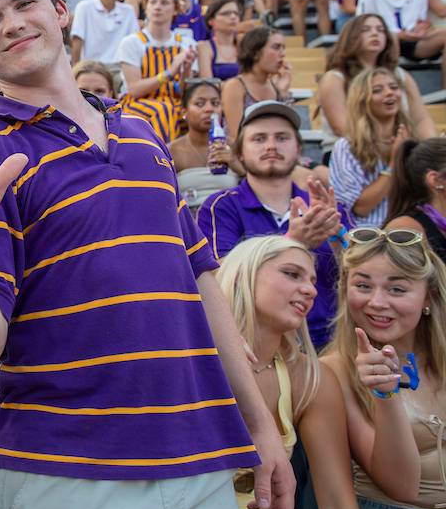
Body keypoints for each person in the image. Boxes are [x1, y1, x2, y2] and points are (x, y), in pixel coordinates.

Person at [0, 0, 291, 509]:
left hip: (197, 465)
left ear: (60, 11)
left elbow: (202, 282)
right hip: (64, 479)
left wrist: (260, 424)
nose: (12, 23)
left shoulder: (144, 135)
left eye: (24, 3)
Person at [216, 237, 368, 509]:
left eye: (313, 281)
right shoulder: (192, 358)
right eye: (291, 274)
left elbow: (337, 506)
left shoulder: (308, 378)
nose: (310, 290)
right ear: (243, 276)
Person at [321, 227, 446, 509]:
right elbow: (401, 486)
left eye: (397, 288)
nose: (377, 302)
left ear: (428, 298)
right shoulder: (332, 372)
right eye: (363, 286)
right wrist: (385, 394)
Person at [199, 101, 348, 349]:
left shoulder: (328, 206)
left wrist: (337, 238)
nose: (271, 146)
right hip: (255, 344)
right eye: (259, 139)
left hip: (330, 344)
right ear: (239, 152)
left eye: (281, 138)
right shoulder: (220, 207)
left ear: (299, 150)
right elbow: (219, 279)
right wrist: (293, 243)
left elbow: (362, 276)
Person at [318, 14, 436, 162]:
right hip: (349, 155)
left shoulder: (400, 74)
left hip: (398, 151)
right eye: (366, 30)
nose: (375, 34)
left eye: (380, 30)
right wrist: (386, 150)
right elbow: (342, 128)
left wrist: (432, 152)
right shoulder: (335, 78)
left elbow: (421, 119)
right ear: (350, 37)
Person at [329, 67, 414, 228]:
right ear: (362, 100)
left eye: (394, 87)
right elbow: (361, 208)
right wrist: (394, 164)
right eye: (377, 90)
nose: (389, 93)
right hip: (365, 235)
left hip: (406, 234)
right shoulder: (347, 147)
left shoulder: (411, 141)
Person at [117, 0, 198, 142]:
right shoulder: (132, 42)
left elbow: (183, 92)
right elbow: (134, 89)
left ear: (175, 9)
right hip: (138, 102)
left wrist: (186, 70)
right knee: (164, 110)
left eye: (164, 3)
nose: (158, 7)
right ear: (146, 8)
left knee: (193, 110)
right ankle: (165, 155)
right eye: (153, 2)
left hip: (174, 101)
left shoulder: (186, 43)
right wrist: (169, 72)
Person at [358, 0, 446, 88]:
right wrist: (399, 35)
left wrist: (421, 29)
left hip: (413, 41)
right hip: (384, 42)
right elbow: (363, 27)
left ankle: (444, 91)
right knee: (392, 38)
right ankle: (391, 86)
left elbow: (419, 22)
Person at [167, 80, 241, 210]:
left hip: (231, 216)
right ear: (184, 112)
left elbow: (257, 187)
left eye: (215, 103)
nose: (209, 109)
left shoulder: (235, 146)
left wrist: (236, 164)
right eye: (199, 104)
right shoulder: (172, 151)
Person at [219, 27, 291, 144]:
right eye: (276, 47)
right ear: (256, 53)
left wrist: (283, 91)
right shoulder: (235, 86)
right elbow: (236, 136)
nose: (283, 54)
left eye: (283, 48)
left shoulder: (275, 87)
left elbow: (286, 130)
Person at [69, 0, 136, 67]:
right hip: (91, 68)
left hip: (120, 69)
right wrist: (75, 70)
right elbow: (77, 40)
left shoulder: (128, 11)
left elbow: (133, 43)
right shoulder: (84, 7)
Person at [197, 0, 244, 81]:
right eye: (226, 14)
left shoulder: (244, 45)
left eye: (236, 13)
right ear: (211, 21)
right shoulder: (204, 47)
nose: (233, 17)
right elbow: (208, 83)